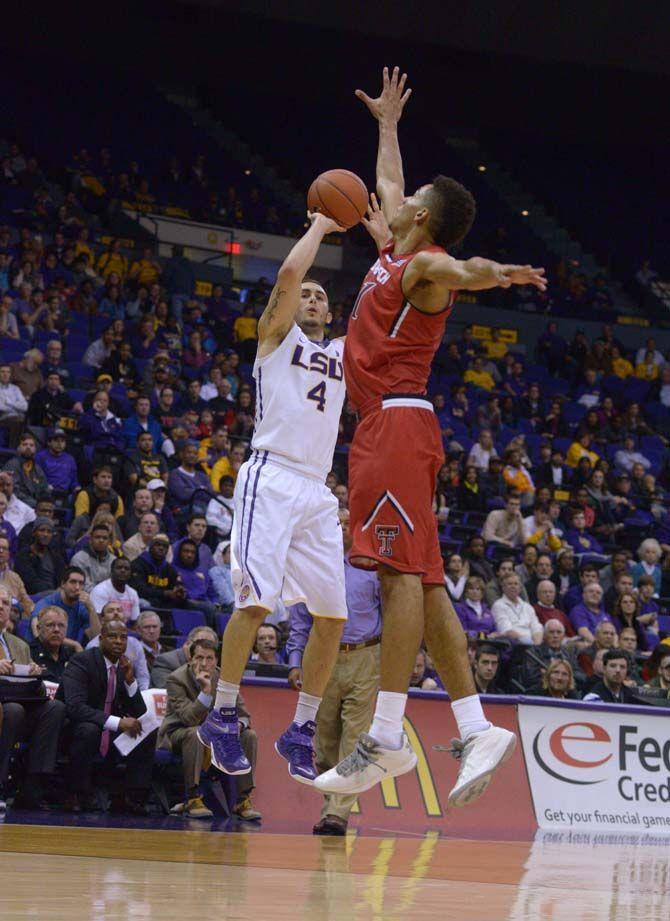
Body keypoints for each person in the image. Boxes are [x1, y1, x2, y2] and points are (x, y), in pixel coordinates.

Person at [318, 68, 544, 804]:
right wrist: (387, 124)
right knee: (426, 577)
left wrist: (497, 273)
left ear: (425, 218)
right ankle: (476, 724)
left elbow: (460, 267)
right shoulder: (391, 248)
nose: (398, 198)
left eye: (411, 200)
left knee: (395, 576)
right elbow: (386, 183)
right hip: (391, 429)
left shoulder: (420, 266)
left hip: (396, 424)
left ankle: (386, 734)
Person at [197, 209, 349, 787]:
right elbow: (287, 274)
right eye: (304, 295)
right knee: (256, 604)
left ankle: (302, 729)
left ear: (330, 313)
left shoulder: (339, 353)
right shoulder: (275, 340)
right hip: (272, 475)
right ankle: (223, 714)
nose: (310, 298)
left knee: (334, 618)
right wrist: (319, 228)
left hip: (316, 489)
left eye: (319, 296)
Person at [286, 507, 382, 835]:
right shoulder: (310, 568)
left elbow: (391, 617)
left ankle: (337, 815)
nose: (341, 529)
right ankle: (330, 805)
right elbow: (299, 621)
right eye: (335, 523)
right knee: (324, 741)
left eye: (346, 524)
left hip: (366, 655)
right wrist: (296, 661)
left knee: (355, 739)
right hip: (321, 657)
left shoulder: (371, 569)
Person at [57, 618, 158, 814]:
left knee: (146, 728)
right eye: (112, 636)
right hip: (74, 731)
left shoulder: (122, 668)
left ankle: (129, 797)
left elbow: (139, 712)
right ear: (101, 638)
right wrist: (118, 722)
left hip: (107, 731)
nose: (119, 641)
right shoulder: (82, 661)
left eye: (123, 637)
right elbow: (75, 707)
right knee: (89, 729)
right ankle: (77, 794)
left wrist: (130, 682)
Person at [158, 637, 260, 821]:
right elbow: (188, 718)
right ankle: (193, 798)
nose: (204, 663)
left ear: (216, 661)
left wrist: (238, 725)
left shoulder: (225, 679)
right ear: (190, 659)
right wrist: (205, 692)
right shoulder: (176, 680)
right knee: (196, 732)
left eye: (209, 658)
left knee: (249, 736)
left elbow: (244, 714)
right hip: (179, 733)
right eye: (199, 658)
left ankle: (242, 800)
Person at [0, 586, 66, 810]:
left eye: (6, 603)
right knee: (13, 710)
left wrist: (36, 675)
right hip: (6, 711)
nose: (1, 607)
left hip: (17, 707)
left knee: (54, 708)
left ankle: (33, 787)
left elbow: (30, 691)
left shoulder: (20, 645)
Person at [86, 602, 151, 692]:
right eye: (110, 611)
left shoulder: (135, 644)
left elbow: (143, 677)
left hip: (130, 694)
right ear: (102, 620)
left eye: (119, 610)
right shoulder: (93, 646)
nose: (116, 613)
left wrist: (143, 695)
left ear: (124, 619)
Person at [31, 566, 98, 648]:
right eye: (73, 582)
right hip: (40, 650)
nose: (77, 587)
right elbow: (37, 633)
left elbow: (96, 639)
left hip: (64, 652)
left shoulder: (83, 606)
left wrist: (91, 609)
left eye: (81, 583)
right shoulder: (46, 603)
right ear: (63, 584)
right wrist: (74, 645)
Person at [130, 533, 185, 610]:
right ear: (150, 547)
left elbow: (176, 586)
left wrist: (180, 591)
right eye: (158, 545)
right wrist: (164, 593)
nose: (161, 548)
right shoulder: (138, 564)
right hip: (142, 601)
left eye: (165, 546)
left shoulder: (170, 569)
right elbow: (139, 590)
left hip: (162, 604)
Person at [150, 626, 219, 688]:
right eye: (199, 644)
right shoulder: (165, 661)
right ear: (187, 643)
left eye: (209, 646)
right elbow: (169, 691)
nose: (204, 650)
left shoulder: (215, 669)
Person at [14, 517, 66, 596]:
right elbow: (31, 583)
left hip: (55, 596)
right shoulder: (23, 555)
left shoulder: (56, 557)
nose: (45, 534)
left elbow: (62, 579)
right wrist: (53, 594)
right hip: (32, 597)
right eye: (42, 530)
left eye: (49, 532)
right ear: (34, 533)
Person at [29, 604, 77, 683]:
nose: (56, 630)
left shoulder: (71, 656)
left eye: (61, 625)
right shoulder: (28, 653)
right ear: (38, 628)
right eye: (50, 625)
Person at [491, 573, 543, 645]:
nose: (513, 586)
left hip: (532, 645)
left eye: (516, 584)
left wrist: (536, 644)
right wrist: (529, 641)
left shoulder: (527, 607)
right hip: (513, 645)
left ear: (520, 588)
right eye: (509, 584)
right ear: (503, 588)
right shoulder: (498, 605)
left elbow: (536, 627)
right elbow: (507, 631)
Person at [89, 557, 141, 626]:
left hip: (125, 633)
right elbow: (97, 620)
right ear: (111, 571)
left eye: (126, 569)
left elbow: (136, 623)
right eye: (119, 567)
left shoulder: (133, 593)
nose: (123, 570)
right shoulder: (100, 590)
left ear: (130, 573)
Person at [2, 432, 49, 508]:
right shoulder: (12, 465)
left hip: (34, 507)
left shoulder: (38, 469)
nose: (28, 447)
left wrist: (45, 503)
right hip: (14, 506)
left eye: (31, 445)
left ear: (35, 449)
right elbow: (14, 492)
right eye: (24, 444)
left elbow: (45, 490)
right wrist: (36, 504)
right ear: (19, 448)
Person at [70, 523, 116, 592]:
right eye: (97, 537)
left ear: (109, 541)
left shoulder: (114, 560)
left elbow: (116, 585)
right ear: (90, 539)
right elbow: (83, 586)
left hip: (110, 599)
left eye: (105, 538)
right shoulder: (79, 559)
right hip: (85, 598)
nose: (101, 540)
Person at [34, 427, 79, 496]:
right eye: (56, 440)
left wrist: (76, 487)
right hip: (45, 491)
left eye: (62, 441)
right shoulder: (40, 457)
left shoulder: (70, 459)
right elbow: (35, 477)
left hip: (65, 494)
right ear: (49, 442)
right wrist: (44, 485)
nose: (59, 444)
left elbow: (73, 480)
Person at [0, 534, 33, 617]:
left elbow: (27, 603)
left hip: (14, 621)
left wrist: (36, 616)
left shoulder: (15, 578)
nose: (1, 551)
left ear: (8, 554)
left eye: (4, 548)